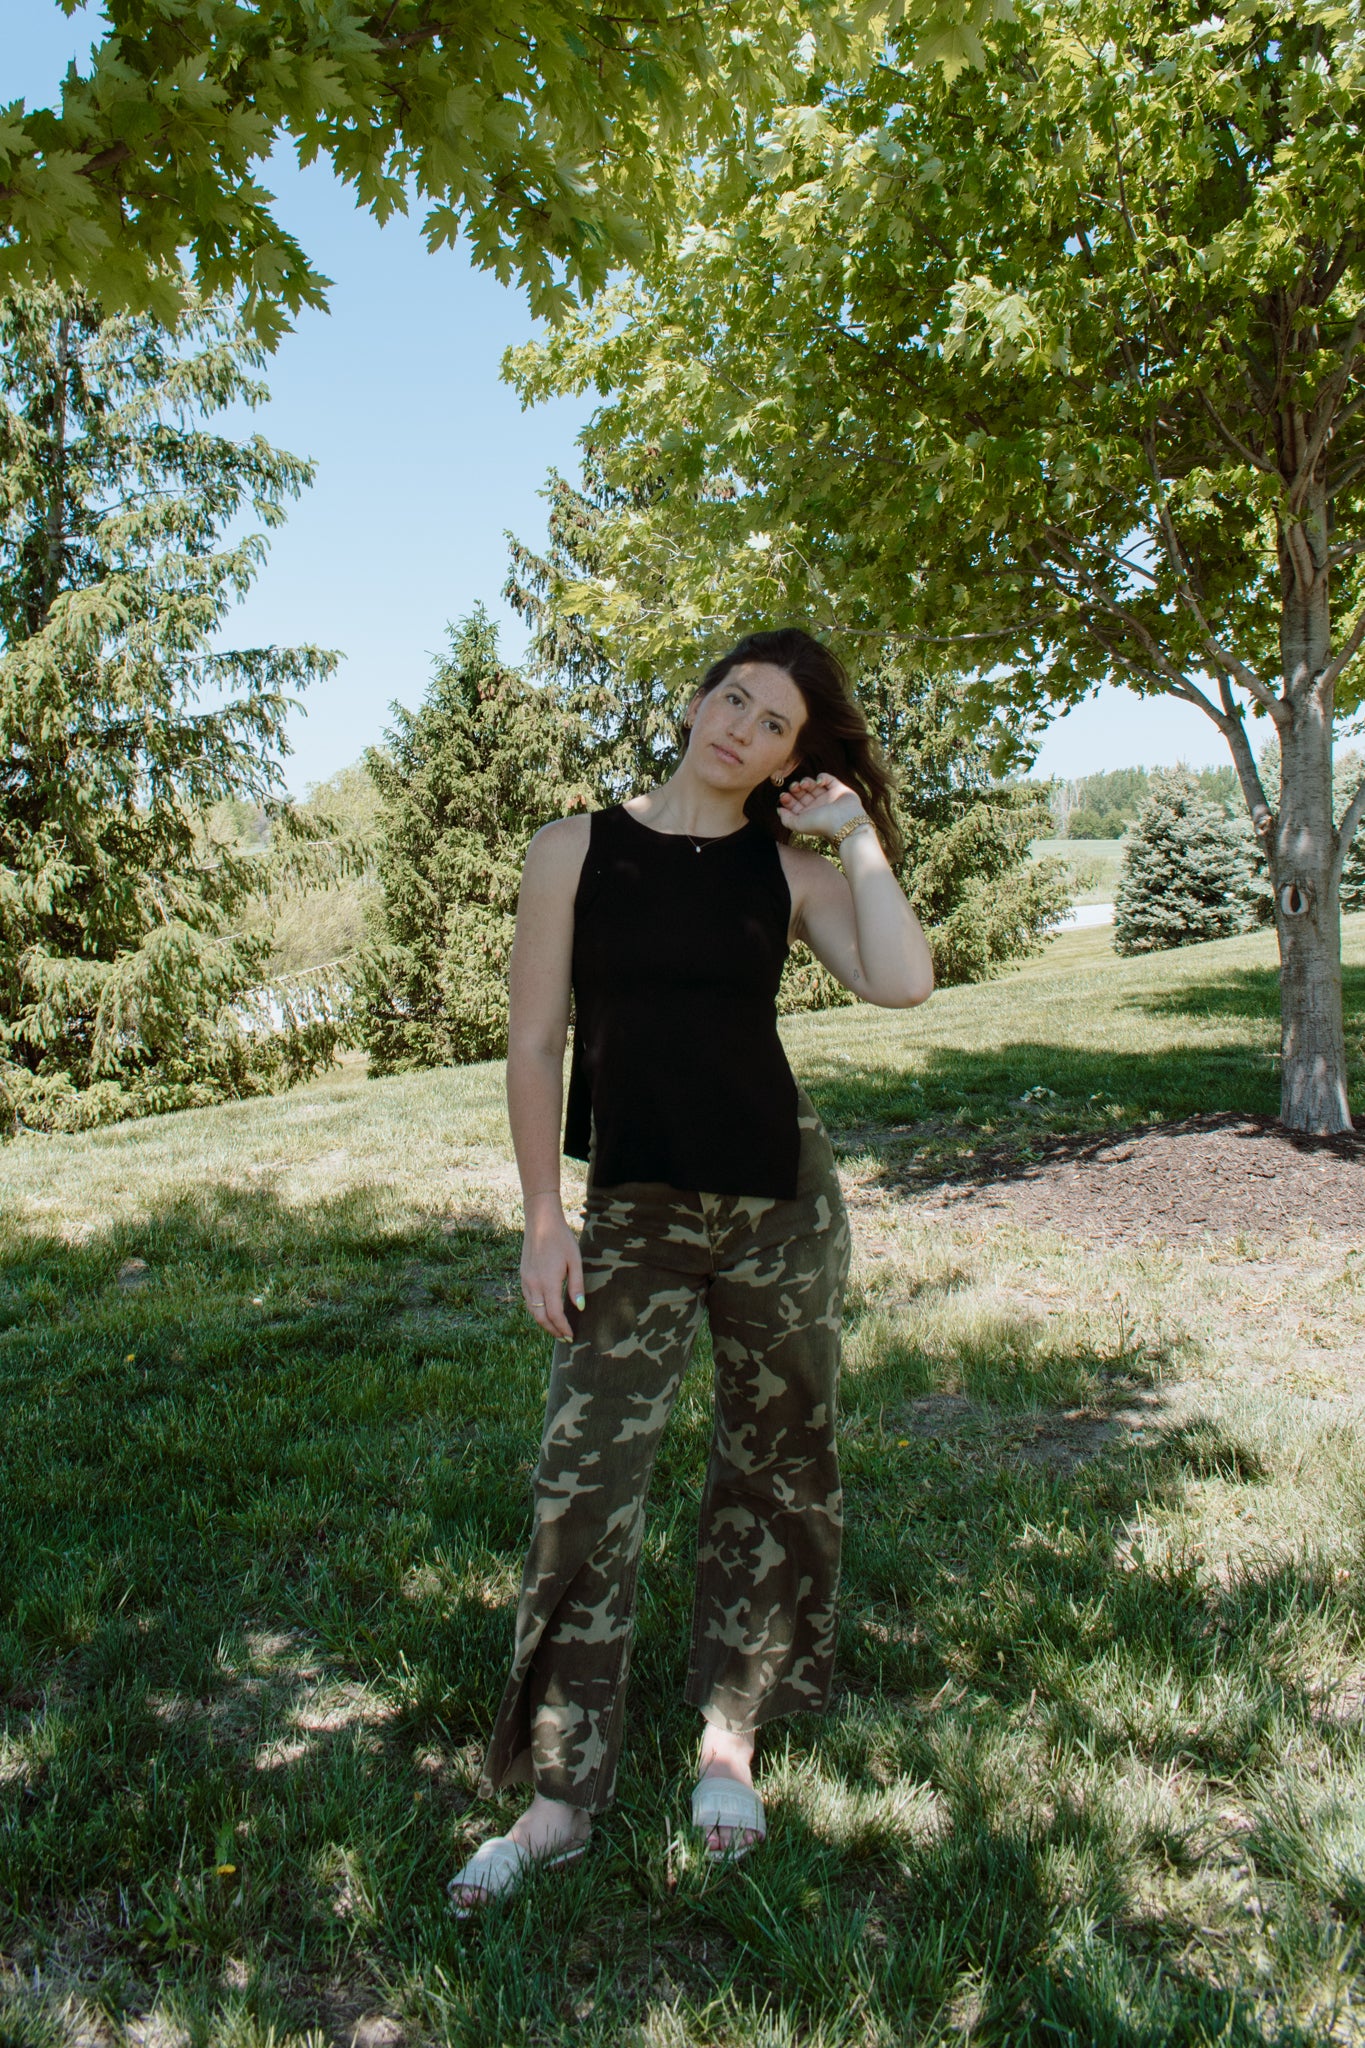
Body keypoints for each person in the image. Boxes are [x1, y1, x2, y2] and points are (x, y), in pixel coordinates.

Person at [448, 627, 934, 1913]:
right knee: (586, 1482)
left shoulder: (790, 870)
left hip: (782, 1203)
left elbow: (903, 981)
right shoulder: (574, 849)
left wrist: (856, 837)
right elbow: (536, 1040)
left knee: (777, 1461)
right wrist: (543, 1215)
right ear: (697, 700)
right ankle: (560, 1792)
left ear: (790, 759)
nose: (743, 729)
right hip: (635, 1206)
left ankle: (731, 1735)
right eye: (735, 699)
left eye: (775, 725)